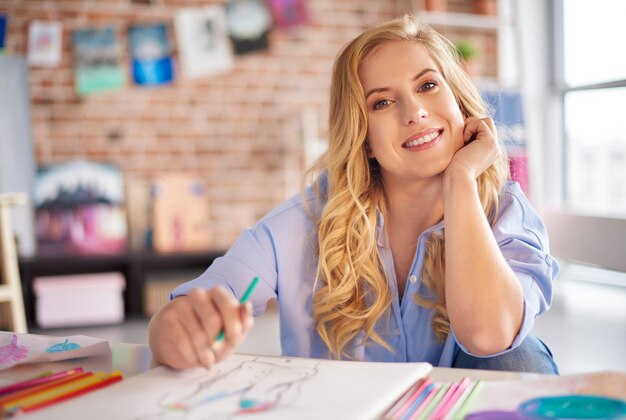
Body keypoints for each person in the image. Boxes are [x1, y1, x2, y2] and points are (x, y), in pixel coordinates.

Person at [148, 15, 559, 374]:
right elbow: (203, 300)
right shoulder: (301, 223)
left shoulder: (504, 211)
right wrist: (180, 328)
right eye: (381, 102)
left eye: (429, 85)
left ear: (461, 105)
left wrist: (461, 181)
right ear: (363, 138)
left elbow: (490, 335)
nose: (414, 111)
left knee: (518, 358)